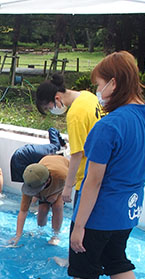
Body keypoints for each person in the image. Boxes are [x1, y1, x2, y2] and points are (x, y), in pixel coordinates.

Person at [64, 51, 145, 279]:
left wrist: (79, 225)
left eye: (99, 84)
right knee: (118, 261)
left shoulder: (109, 125)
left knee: (84, 269)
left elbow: (94, 181)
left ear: (114, 84)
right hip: (128, 211)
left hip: (99, 213)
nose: (97, 91)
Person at [36, 74, 105, 205]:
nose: (52, 111)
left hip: (86, 178)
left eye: (49, 108)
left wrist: (67, 187)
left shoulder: (75, 114)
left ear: (57, 98)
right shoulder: (88, 96)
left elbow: (77, 154)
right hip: (102, 172)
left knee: (78, 225)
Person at [9, 155, 68, 246]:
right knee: (43, 209)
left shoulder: (61, 175)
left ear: (47, 181)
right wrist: (18, 235)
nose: (33, 193)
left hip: (60, 184)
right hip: (43, 173)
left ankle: (56, 235)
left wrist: (56, 195)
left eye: (35, 190)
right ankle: (40, 230)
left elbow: (71, 183)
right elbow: (23, 211)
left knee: (57, 206)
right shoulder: (30, 181)